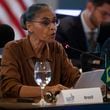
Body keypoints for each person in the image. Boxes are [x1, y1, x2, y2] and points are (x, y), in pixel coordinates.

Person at [0, 3, 80, 99]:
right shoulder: (13, 48)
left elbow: (73, 78)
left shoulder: (56, 48)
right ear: (29, 26)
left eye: (55, 22)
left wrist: (94, 83)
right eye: (45, 23)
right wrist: (47, 90)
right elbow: (10, 87)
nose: (53, 27)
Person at [56, 0, 110, 68]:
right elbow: (62, 61)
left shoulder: (107, 29)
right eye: (104, 14)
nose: (108, 19)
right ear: (90, 6)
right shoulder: (64, 29)